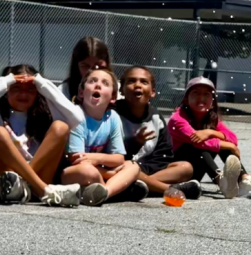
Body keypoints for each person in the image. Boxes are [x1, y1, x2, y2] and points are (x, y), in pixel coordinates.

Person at [0, 64, 84, 207]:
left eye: (30, 89)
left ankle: (30, 185)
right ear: (6, 91)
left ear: (38, 92)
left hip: (35, 184)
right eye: (16, 88)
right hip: (2, 184)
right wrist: (6, 80)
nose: (23, 94)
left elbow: (76, 117)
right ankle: (46, 191)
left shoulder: (45, 116)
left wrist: (42, 83)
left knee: (61, 127)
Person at [171, 77, 251, 199]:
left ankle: (244, 180)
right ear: (185, 99)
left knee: (218, 142)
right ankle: (222, 182)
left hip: (198, 170)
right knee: (199, 146)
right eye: (196, 93)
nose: (201, 98)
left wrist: (211, 132)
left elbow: (233, 138)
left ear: (212, 102)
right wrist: (230, 146)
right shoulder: (177, 119)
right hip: (181, 171)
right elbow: (196, 141)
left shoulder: (211, 119)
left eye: (207, 94)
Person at [115, 66, 201, 200]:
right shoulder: (112, 115)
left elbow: (164, 155)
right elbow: (111, 153)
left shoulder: (156, 117)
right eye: (131, 81)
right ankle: (169, 190)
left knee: (186, 167)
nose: (137, 85)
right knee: (129, 169)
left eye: (144, 82)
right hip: (123, 166)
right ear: (121, 89)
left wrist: (145, 171)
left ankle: (142, 186)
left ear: (152, 92)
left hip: (147, 170)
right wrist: (134, 143)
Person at [61, 68, 142, 206]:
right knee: (87, 171)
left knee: (133, 166)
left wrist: (95, 158)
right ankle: (119, 190)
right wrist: (108, 174)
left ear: (113, 97)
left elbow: (119, 158)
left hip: (96, 170)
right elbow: (77, 161)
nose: (98, 85)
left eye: (105, 83)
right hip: (73, 172)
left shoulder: (113, 118)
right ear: (81, 92)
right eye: (92, 81)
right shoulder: (76, 116)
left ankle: (105, 192)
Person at [61, 36, 111, 100]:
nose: (92, 72)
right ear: (76, 67)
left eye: (98, 66)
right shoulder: (63, 92)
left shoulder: (116, 90)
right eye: (85, 66)